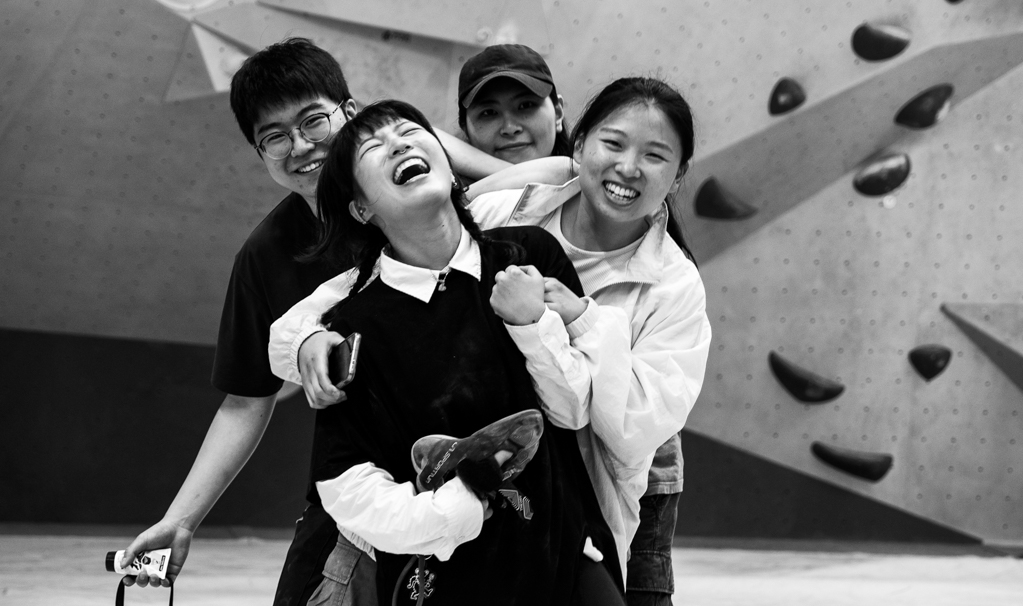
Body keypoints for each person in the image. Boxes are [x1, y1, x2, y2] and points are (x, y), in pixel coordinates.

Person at [115, 37, 542, 606]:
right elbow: (246, 400)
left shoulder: (423, 178)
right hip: (367, 489)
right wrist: (180, 520)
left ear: (349, 112)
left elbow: (552, 179)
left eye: (313, 120)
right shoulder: (268, 256)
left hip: (498, 471)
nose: (300, 146)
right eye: (274, 137)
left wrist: (458, 177)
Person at [271, 77, 711, 604]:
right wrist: (307, 339)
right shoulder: (503, 214)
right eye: (613, 144)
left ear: (679, 174)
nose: (628, 167)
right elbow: (337, 307)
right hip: (450, 552)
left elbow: (610, 422)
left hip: (583, 512)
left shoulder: (649, 279)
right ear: (580, 146)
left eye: (655, 155)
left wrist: (568, 320)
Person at [456, 44, 571, 165]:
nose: (510, 129)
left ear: (558, 113)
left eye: (526, 105)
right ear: (466, 129)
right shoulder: (444, 177)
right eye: (488, 113)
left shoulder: (583, 175)